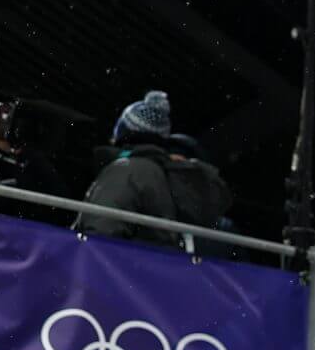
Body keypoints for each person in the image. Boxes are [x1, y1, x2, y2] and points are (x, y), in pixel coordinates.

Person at [76, 93, 234, 250]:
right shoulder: (161, 174)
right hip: (145, 270)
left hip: (115, 270)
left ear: (124, 130)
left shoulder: (128, 170)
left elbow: (100, 234)